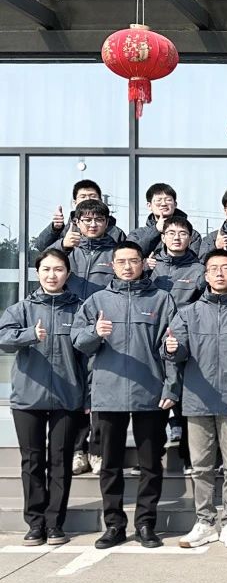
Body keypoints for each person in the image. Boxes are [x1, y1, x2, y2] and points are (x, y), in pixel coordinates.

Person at [71, 240, 178, 550]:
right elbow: (78, 341)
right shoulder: (97, 301)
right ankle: (114, 525)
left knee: (151, 464)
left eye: (133, 261)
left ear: (143, 263)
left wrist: (171, 387)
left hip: (151, 393)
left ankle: (146, 523)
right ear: (112, 265)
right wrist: (95, 333)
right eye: (121, 262)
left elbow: (173, 349)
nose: (128, 267)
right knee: (110, 464)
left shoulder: (162, 300)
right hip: (108, 393)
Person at [163, 249, 227, 549]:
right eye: (214, 269)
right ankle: (205, 522)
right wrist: (171, 348)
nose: (220, 273)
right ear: (205, 275)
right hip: (197, 400)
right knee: (201, 466)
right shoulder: (188, 312)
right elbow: (176, 353)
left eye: (226, 268)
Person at [0, 249, 86, 546]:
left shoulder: (79, 309)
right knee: (32, 461)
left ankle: (55, 523)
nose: (52, 275)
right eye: (46, 269)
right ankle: (35, 523)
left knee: (60, 461)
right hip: (28, 398)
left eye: (58, 269)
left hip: (67, 396)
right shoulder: (21, 308)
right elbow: (3, 339)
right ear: (38, 273)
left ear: (68, 274)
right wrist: (29, 335)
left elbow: (88, 355)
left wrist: (87, 396)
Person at [53, 199, 116, 478]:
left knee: (99, 389)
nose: (92, 224)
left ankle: (97, 450)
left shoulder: (115, 252)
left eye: (98, 220)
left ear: (106, 223)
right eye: (87, 220)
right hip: (70, 325)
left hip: (102, 328)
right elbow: (45, 265)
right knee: (75, 387)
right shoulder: (68, 250)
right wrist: (62, 246)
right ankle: (77, 449)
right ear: (77, 222)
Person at [148, 215, 204, 467]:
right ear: (163, 237)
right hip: (154, 337)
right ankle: (152, 456)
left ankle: (188, 457)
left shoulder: (199, 269)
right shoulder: (151, 266)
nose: (177, 238)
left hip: (186, 339)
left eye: (182, 233)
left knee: (186, 397)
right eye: (171, 233)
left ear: (190, 238)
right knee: (156, 398)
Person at [34, 179, 125, 251]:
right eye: (83, 196)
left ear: (100, 200)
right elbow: (41, 248)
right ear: (75, 202)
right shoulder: (66, 230)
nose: (88, 199)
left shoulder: (115, 232)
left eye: (92, 196)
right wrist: (55, 229)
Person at [127, 183, 203, 257]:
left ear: (175, 204)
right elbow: (129, 255)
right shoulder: (137, 234)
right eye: (158, 200)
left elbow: (195, 261)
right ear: (149, 206)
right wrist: (156, 230)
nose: (163, 204)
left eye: (168, 200)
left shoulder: (192, 234)